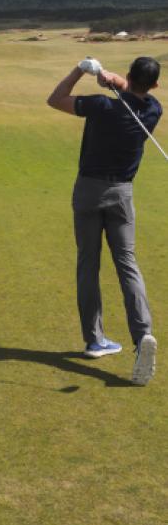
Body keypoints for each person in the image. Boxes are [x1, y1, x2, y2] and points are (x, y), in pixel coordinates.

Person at [47, 56, 162, 385]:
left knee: (88, 264)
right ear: (154, 85)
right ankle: (143, 339)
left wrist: (80, 70)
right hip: (122, 194)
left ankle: (95, 340)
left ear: (128, 76)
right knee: (127, 263)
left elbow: (55, 100)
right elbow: (134, 91)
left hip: (88, 191)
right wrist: (111, 78)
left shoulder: (101, 106)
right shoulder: (153, 110)